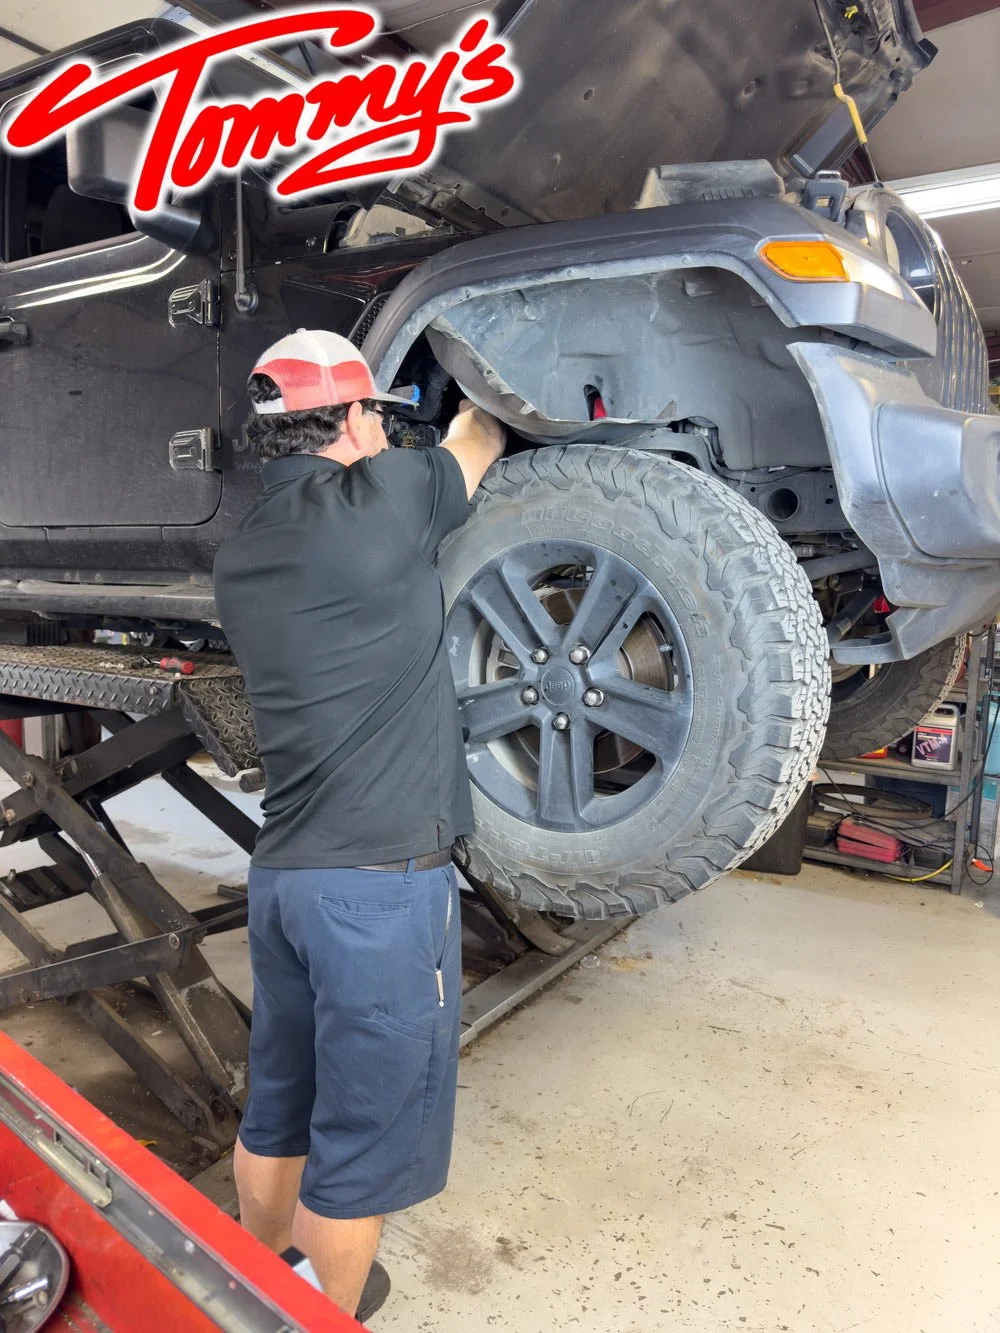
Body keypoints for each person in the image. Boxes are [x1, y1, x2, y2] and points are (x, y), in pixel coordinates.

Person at [212, 329, 506, 1323]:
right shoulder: (390, 497)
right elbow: (479, 440)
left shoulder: (243, 552)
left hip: (284, 882)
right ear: (351, 416)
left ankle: (252, 1284)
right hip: (377, 893)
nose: (382, 427)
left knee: (280, 1105)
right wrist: (490, 391)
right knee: (359, 1151)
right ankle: (314, 1317)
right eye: (373, 411)